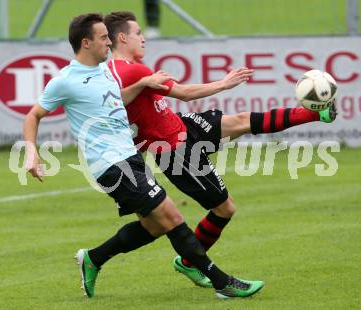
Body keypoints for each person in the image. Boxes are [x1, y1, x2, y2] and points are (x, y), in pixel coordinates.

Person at [23, 13, 263, 300]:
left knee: (154, 225)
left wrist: (142, 84)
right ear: (85, 43)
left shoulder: (105, 72)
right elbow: (33, 114)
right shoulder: (65, 81)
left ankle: (94, 258)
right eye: (103, 38)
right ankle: (222, 282)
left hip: (130, 156)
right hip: (109, 164)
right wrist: (31, 151)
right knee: (171, 215)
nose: (109, 42)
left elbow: (117, 99)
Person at [104, 11, 337, 288]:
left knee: (242, 121)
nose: (143, 38)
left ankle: (315, 114)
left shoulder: (120, 70)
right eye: (138, 33)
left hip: (181, 126)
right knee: (224, 209)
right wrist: (224, 84)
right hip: (174, 151)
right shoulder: (131, 69)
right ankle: (189, 263)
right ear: (122, 37)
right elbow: (185, 93)